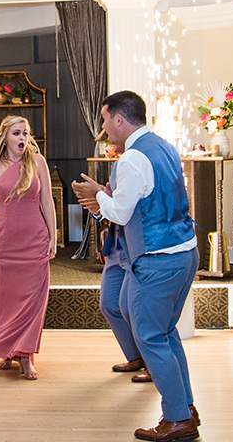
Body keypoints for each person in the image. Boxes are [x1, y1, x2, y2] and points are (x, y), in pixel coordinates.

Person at [72, 91, 200, 441]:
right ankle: (185, 407)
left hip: (159, 259)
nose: (102, 126)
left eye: (104, 118)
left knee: (150, 336)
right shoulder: (164, 146)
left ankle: (177, 419)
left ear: (119, 119)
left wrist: (96, 196)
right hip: (185, 251)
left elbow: (118, 213)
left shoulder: (130, 159)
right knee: (165, 332)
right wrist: (105, 192)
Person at [0, 116, 56, 380]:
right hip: (2, 241)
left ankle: (25, 356)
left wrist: (54, 236)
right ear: (5, 137)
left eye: (26, 133)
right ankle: (8, 349)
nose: (22, 138)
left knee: (32, 300)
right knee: (4, 301)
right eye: (17, 133)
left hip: (33, 240)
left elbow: (48, 201)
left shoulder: (38, 162)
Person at [84, 143, 153, 383]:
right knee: (109, 303)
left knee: (131, 307)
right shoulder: (118, 165)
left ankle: (153, 364)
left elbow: (130, 209)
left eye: (106, 119)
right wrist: (96, 207)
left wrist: (102, 198)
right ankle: (135, 357)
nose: (104, 128)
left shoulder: (141, 162)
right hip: (115, 245)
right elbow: (113, 207)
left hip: (134, 247)